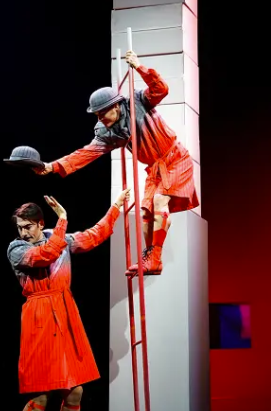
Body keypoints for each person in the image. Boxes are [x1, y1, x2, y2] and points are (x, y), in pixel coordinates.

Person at [33, 50, 199, 275]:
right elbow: (85, 153)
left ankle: (154, 257)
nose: (100, 118)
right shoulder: (108, 132)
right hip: (155, 169)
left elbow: (161, 89)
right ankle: (153, 258)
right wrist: (52, 166)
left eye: (102, 113)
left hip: (175, 158)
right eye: (97, 115)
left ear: (116, 106)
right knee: (146, 214)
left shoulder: (138, 101)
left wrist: (139, 67)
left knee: (160, 201)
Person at [7, 189, 130, 411]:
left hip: (65, 313)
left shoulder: (57, 238)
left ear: (40, 224)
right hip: (39, 316)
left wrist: (115, 208)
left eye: (28, 227)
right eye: (20, 228)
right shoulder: (16, 249)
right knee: (41, 392)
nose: (23, 232)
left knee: (75, 390)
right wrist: (62, 219)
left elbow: (93, 236)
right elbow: (45, 256)